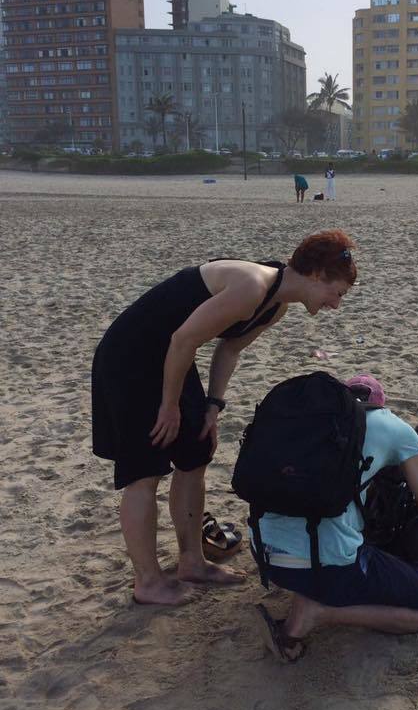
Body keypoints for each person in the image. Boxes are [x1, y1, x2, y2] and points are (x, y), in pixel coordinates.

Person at [91, 230, 357, 605]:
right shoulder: (252, 286)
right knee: (144, 471)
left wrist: (212, 407)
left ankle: (192, 562)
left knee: (196, 452)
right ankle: (148, 581)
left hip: (172, 358)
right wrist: (169, 405)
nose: (336, 305)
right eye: (337, 293)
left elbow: (229, 350)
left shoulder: (275, 305)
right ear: (316, 275)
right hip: (130, 358)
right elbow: (183, 339)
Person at [254, 373, 418, 662]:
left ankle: (314, 594)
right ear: (381, 405)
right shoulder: (394, 428)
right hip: (325, 565)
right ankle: (319, 611)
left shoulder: (310, 425)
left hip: (266, 556)